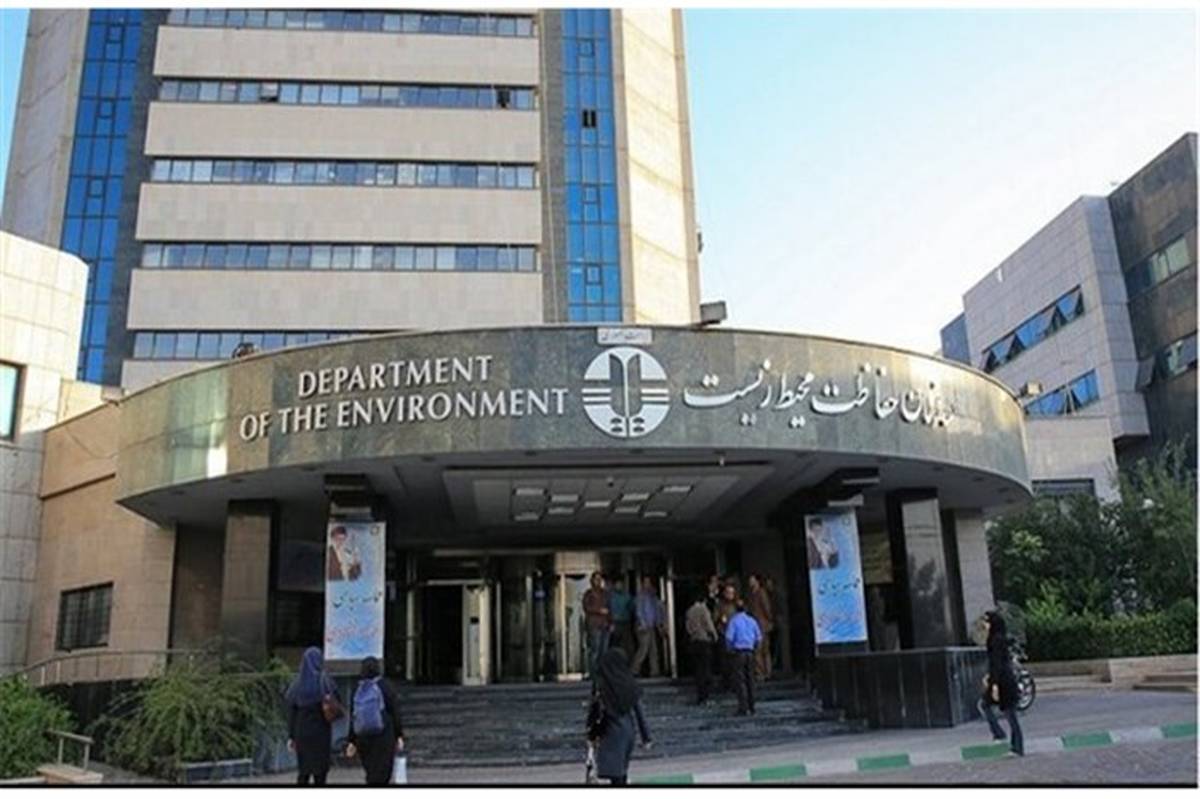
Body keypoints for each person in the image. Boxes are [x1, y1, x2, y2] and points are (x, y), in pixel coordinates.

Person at [586, 648, 652, 785]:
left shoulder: (602, 683)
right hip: (627, 731)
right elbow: (640, 713)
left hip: (609, 731)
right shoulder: (629, 683)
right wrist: (646, 737)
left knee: (613, 773)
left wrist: (590, 733)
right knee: (620, 772)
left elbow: (595, 710)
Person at [345, 657, 406, 785]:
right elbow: (394, 711)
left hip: (363, 737)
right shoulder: (386, 686)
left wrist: (352, 740)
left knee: (371, 771)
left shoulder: (358, 689)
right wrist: (399, 734)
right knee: (383, 773)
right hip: (383, 736)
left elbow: (354, 716)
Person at [285, 646, 340, 786]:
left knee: (303, 771)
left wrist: (291, 736)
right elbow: (336, 700)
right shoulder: (325, 681)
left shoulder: (297, 684)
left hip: (302, 733)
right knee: (320, 773)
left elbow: (292, 711)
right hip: (321, 733)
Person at [981, 610, 1024, 756]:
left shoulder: (995, 640)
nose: (985, 625)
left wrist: (994, 685)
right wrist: (990, 677)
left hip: (1003, 681)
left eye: (987, 622)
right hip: (1002, 679)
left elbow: (997, 663)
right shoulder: (997, 638)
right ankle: (1004, 738)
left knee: (1009, 713)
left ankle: (1014, 744)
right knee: (991, 706)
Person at [725, 600, 763, 716]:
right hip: (750, 652)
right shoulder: (752, 621)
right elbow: (759, 637)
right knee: (750, 679)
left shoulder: (733, 621)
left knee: (740, 680)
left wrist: (730, 649)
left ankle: (743, 707)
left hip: (739, 652)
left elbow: (729, 638)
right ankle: (752, 706)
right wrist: (755, 649)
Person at [684, 592, 719, 704]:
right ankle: (706, 696)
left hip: (694, 641)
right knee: (706, 669)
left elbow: (688, 627)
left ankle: (700, 696)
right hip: (704, 640)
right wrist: (714, 635)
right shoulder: (703, 609)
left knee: (698, 670)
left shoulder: (689, 611)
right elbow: (708, 624)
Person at [631, 577, 666, 677]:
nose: (648, 585)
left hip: (651, 626)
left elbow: (657, 613)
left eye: (649, 583)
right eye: (646, 583)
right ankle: (634, 669)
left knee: (653, 649)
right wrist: (643, 624)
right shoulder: (640, 597)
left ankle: (655, 671)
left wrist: (659, 625)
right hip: (643, 626)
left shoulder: (653, 598)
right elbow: (639, 612)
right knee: (644, 648)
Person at [582, 572, 611, 678]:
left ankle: (602, 673)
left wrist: (611, 622)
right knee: (595, 650)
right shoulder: (588, 594)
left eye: (600, 579)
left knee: (604, 651)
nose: (598, 581)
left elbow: (610, 609)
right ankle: (593, 673)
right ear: (592, 581)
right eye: (596, 579)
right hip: (594, 625)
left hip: (605, 625)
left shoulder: (605, 594)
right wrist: (599, 610)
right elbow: (586, 607)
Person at [746, 574, 774, 681]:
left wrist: (769, 619)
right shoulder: (752, 594)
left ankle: (764, 672)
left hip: (761, 623)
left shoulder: (761, 593)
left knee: (762, 649)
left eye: (752, 580)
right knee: (759, 649)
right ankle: (762, 672)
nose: (750, 582)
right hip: (756, 623)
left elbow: (767, 608)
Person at [713, 583, 739, 692]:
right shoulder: (720, 605)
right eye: (728, 592)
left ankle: (734, 684)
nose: (730, 595)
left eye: (732, 593)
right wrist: (720, 619)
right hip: (724, 634)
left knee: (735, 662)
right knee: (724, 661)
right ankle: (726, 683)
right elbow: (714, 618)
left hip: (736, 636)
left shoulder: (736, 605)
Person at [608, 577, 635, 657]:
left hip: (625, 622)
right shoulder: (611, 596)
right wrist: (611, 623)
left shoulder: (627, 596)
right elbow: (609, 610)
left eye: (621, 584)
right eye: (618, 584)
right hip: (616, 622)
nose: (619, 586)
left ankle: (628, 661)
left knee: (628, 645)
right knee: (615, 644)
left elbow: (632, 608)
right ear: (614, 585)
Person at [764, 575, 783, 671]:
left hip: (775, 620)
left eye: (769, 583)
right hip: (771, 621)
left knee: (776, 643)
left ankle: (777, 662)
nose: (768, 585)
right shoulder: (766, 595)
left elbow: (778, 608)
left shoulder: (776, 595)